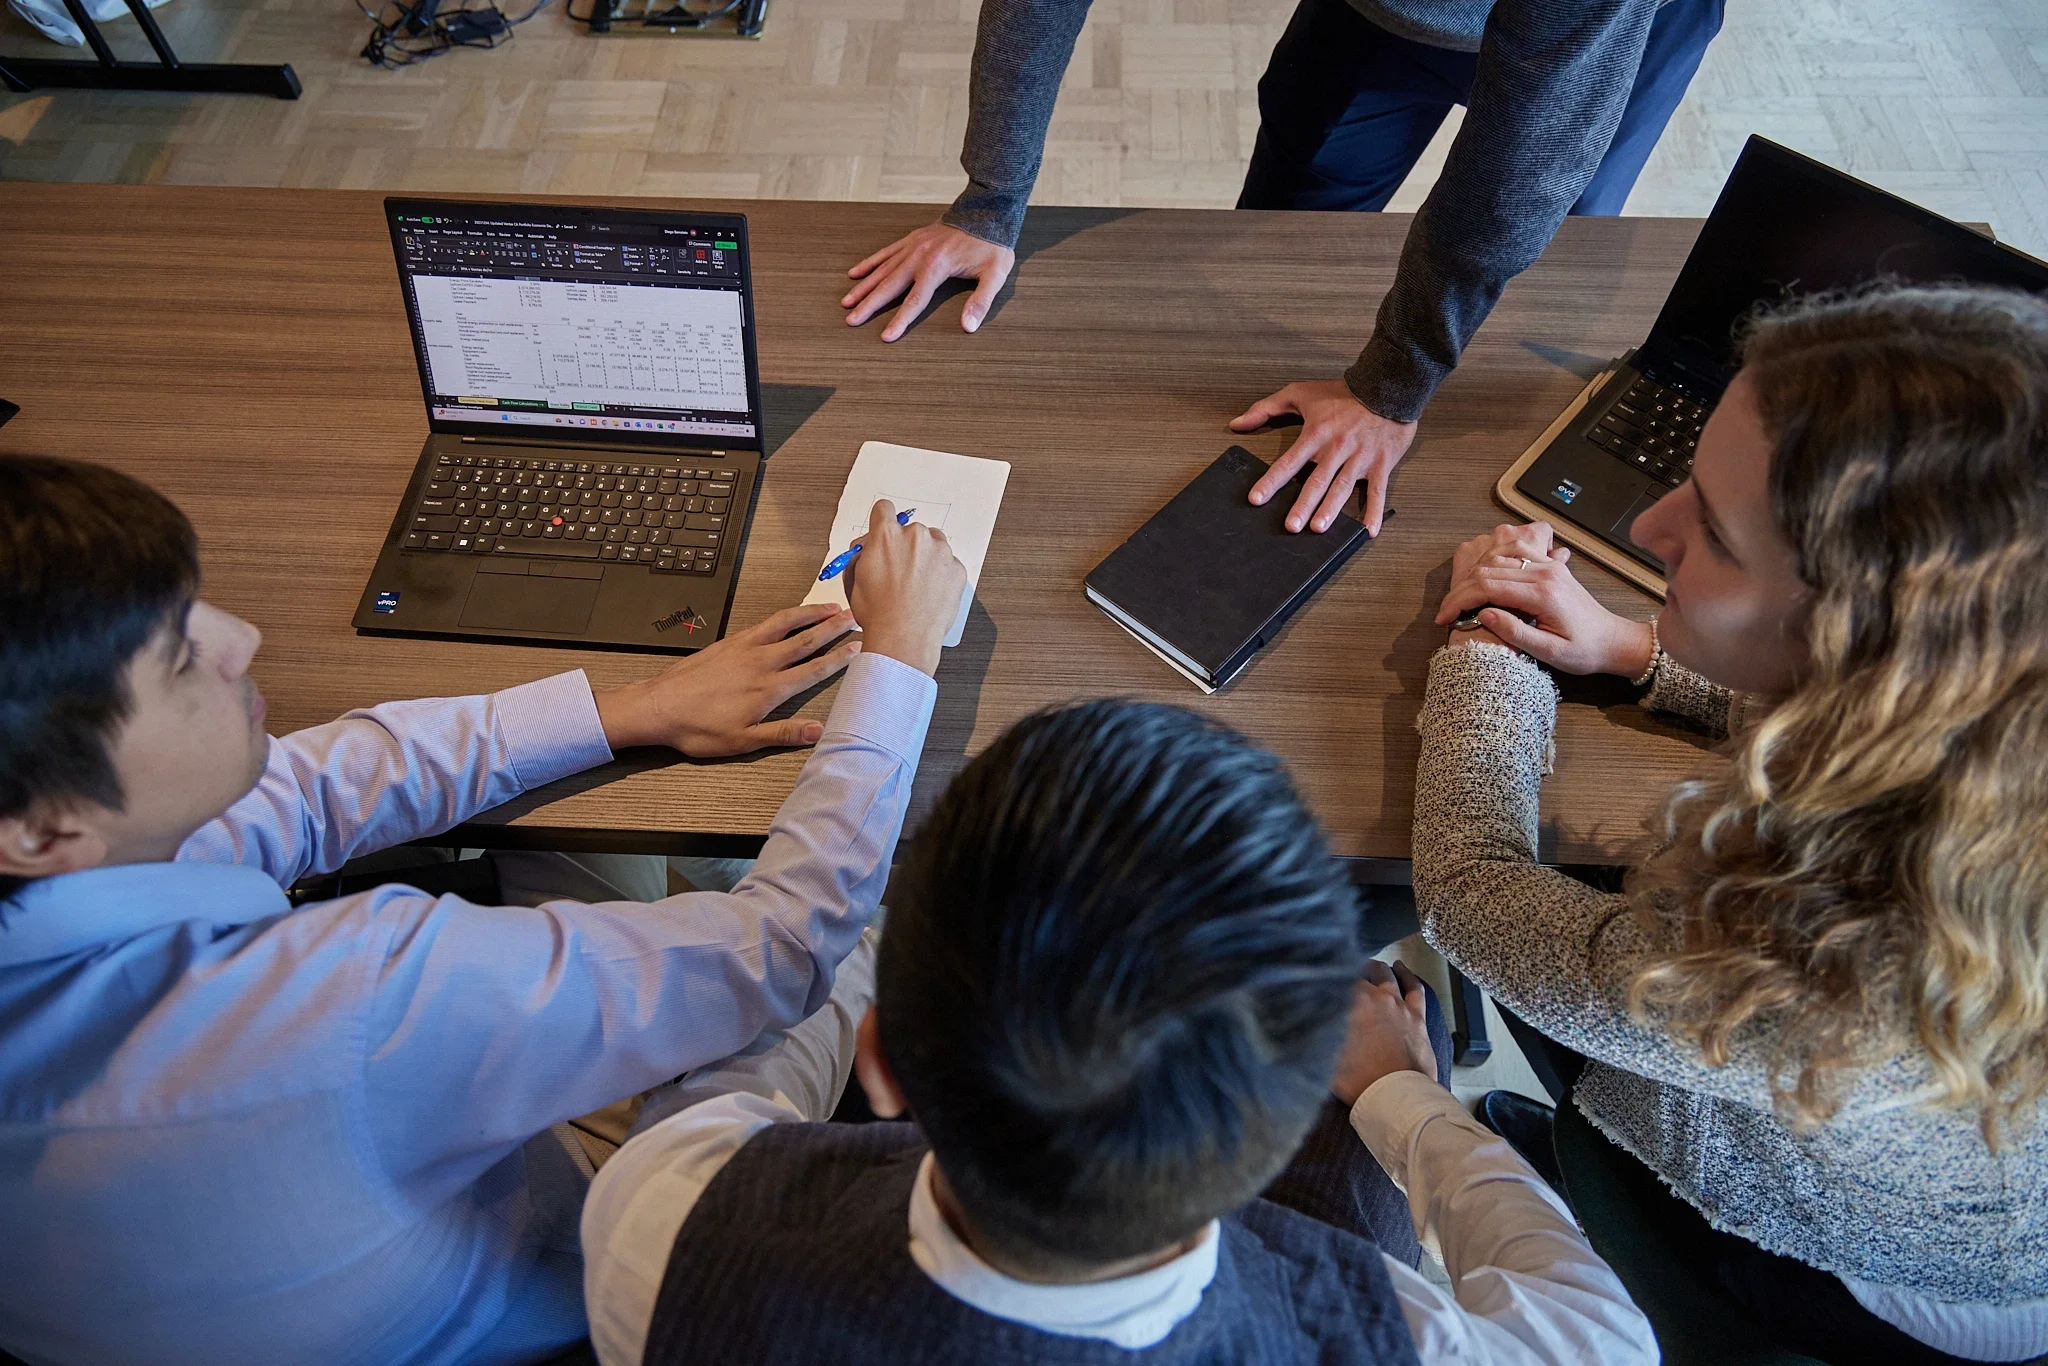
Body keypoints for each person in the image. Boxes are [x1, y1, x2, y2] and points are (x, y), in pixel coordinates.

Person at [0, 456, 966, 1366]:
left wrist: (633, 708)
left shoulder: (56, 844)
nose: (239, 639)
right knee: (868, 920)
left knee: (575, 831)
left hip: (355, 1205)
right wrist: (901, 658)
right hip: (571, 1263)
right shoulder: (347, 996)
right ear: (43, 830)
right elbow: (779, 945)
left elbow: (306, 791)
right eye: (176, 659)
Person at [581, 699, 1657, 1364]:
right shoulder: (1392, 1332)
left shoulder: (659, 1218)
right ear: (1279, 1124)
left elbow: (731, 1091)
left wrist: (896, 937)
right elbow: (1600, 1335)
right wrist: (1395, 1093)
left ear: (883, 1061)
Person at [1414, 285, 2048, 1363]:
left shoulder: (1829, 974)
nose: (1643, 524)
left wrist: (1485, 653)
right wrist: (1635, 651)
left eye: (1709, 528)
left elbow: (1469, 892)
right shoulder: (2000, 723)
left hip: (1841, 1263)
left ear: (1860, 648)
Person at [840, 0, 1724, 539]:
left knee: (1555, 254)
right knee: (1293, 231)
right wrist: (990, 202)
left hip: (1611, 27)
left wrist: (1391, 384)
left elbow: (1519, 165)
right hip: (1381, 22)